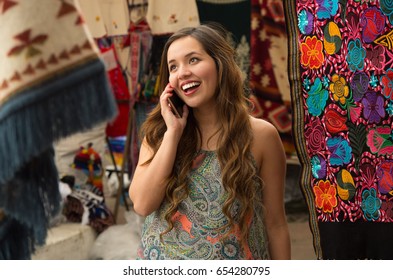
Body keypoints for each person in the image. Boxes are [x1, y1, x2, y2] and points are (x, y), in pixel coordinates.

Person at [129, 23, 291, 260]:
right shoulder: (158, 135)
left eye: (193, 60)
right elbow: (143, 204)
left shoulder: (261, 136)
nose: (182, 72)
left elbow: (276, 225)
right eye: (173, 67)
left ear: (220, 64)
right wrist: (173, 133)